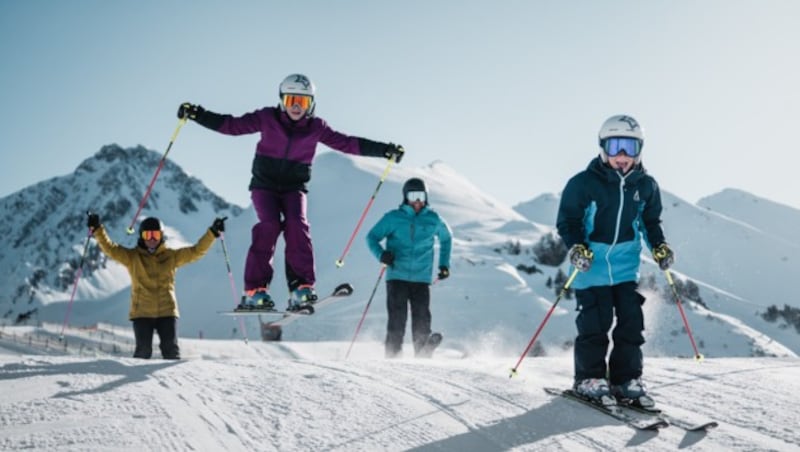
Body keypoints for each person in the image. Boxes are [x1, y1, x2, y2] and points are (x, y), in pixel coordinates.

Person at [177, 73, 404, 311]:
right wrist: (197, 114)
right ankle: (255, 290)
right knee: (270, 225)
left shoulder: (317, 127)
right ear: (282, 101)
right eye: (291, 100)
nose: (296, 106)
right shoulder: (267, 117)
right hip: (264, 186)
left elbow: (347, 142)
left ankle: (301, 288)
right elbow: (231, 126)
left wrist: (384, 150)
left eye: (303, 102)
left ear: (311, 104)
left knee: (298, 223)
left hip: (294, 188)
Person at [556, 114, 674, 407]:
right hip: (590, 268)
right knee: (596, 324)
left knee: (631, 323)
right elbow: (568, 222)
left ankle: (625, 379)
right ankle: (589, 378)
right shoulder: (583, 183)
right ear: (602, 147)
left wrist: (659, 246)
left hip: (624, 268)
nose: (622, 156)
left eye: (630, 148)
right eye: (615, 146)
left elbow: (650, 222)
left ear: (640, 150)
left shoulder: (645, 185)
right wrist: (577, 248)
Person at [86, 213, 225, 359]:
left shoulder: (171, 256)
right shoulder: (133, 257)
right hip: (142, 313)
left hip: (167, 311)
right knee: (143, 351)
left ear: (161, 236)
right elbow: (111, 249)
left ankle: (173, 380)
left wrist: (212, 233)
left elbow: (196, 251)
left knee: (171, 350)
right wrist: (97, 230)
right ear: (141, 236)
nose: (152, 239)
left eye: (156, 235)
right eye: (148, 235)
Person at [366, 178, 453, 358]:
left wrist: (444, 264)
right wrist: (381, 255)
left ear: (426, 197)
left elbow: (446, 238)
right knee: (397, 319)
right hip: (397, 276)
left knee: (422, 317)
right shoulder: (393, 218)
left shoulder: (433, 219)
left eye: (421, 196)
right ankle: (393, 355)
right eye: (413, 196)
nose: (417, 201)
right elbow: (371, 237)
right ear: (406, 197)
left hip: (421, 278)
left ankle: (422, 351)